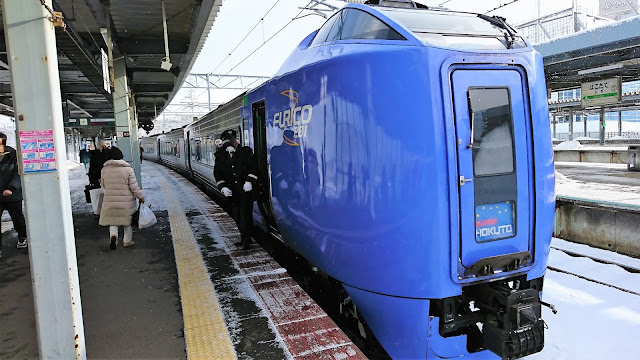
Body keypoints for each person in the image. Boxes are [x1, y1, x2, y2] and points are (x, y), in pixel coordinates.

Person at [214, 129, 258, 250]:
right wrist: (222, 187)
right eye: (227, 141)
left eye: (231, 140)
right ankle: (244, 238)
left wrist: (249, 181)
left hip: (244, 192)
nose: (230, 143)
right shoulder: (220, 155)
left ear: (235, 140)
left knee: (245, 217)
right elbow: (217, 173)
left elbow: (254, 168)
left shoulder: (245, 152)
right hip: (231, 193)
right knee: (237, 216)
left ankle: (246, 242)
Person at [99, 147, 145, 250]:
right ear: (121, 156)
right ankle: (127, 241)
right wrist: (140, 197)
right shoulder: (128, 170)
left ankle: (113, 236)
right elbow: (134, 187)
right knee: (127, 223)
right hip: (126, 203)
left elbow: (103, 185)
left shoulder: (104, 170)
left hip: (110, 202)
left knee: (113, 221)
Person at [0, 131, 27, 256]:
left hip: (13, 194)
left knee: (17, 218)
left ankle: (22, 237)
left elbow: (18, 173)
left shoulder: (13, 154)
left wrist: (11, 188)